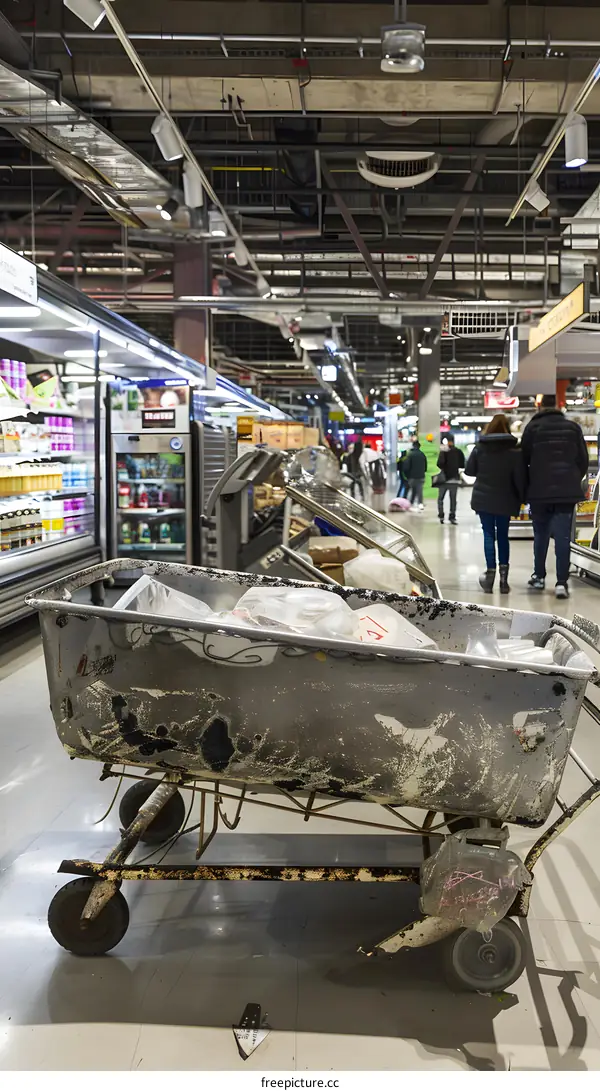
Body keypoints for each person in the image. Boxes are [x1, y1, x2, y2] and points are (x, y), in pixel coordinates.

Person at [521, 393, 588, 599]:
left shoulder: (532, 427)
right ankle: (561, 582)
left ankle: (539, 576)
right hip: (566, 492)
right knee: (563, 537)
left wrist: (527, 486)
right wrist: (573, 477)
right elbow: (583, 459)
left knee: (540, 535)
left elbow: (523, 460)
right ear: (558, 406)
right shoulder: (573, 428)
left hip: (539, 491)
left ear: (540, 406)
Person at [465, 414, 526, 594]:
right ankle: (504, 580)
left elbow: (469, 471)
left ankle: (490, 574)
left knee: (489, 534)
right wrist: (522, 497)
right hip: (506, 498)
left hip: (484, 499)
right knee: (503, 536)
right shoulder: (515, 450)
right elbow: (520, 478)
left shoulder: (480, 448)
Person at [437, 435, 465, 524]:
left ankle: (441, 516)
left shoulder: (444, 452)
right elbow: (462, 465)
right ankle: (452, 516)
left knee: (440, 498)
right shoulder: (459, 452)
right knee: (453, 499)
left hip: (444, 479)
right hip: (454, 478)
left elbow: (439, 464)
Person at [403, 439, 427, 509]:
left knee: (409, 490)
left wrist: (407, 476)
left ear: (413, 446)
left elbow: (406, 467)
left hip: (412, 477)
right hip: (421, 476)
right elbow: (425, 467)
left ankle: (408, 503)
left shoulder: (410, 455)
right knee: (419, 491)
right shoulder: (422, 454)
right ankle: (420, 504)